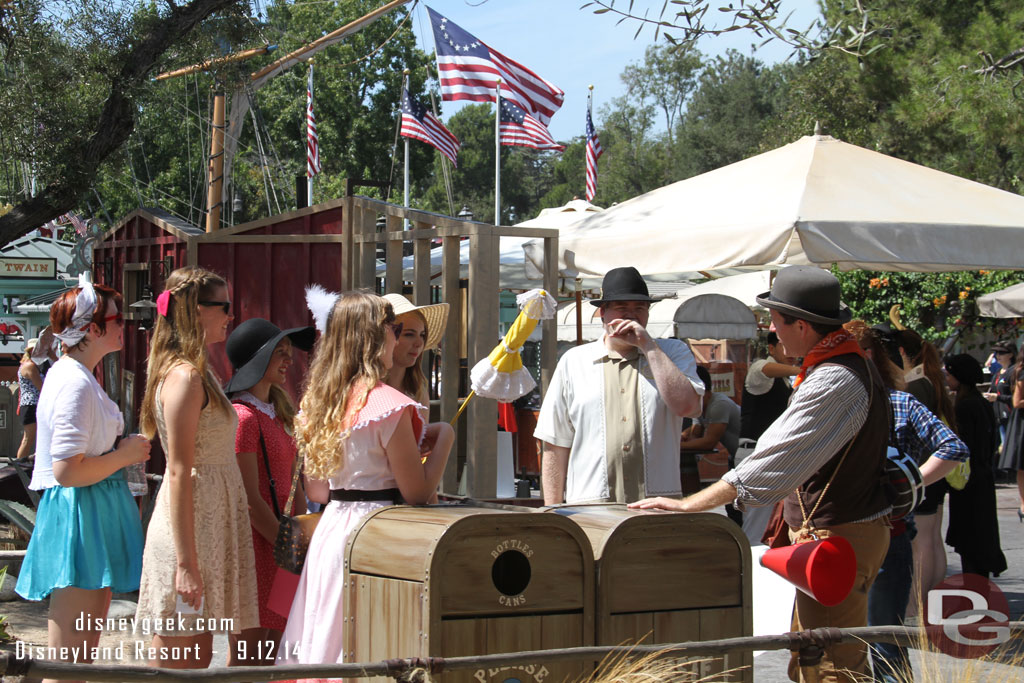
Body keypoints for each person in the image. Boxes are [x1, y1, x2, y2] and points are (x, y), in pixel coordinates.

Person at [631, 266, 891, 683]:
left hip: (839, 537)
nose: (769, 328)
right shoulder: (840, 364)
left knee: (830, 663)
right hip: (840, 533)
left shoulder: (834, 377)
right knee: (815, 649)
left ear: (802, 326)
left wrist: (689, 505)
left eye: (775, 320)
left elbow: (772, 462)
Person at [277, 288, 454, 674]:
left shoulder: (318, 404)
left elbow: (317, 491)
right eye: (393, 328)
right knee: (372, 638)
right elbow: (418, 493)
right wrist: (445, 439)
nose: (399, 336)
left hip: (333, 528)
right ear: (375, 337)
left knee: (325, 636)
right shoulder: (391, 405)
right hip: (379, 531)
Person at [15, 281, 151, 683]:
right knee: (69, 661)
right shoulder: (73, 381)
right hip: (80, 512)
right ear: (92, 329)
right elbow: (67, 471)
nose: (123, 326)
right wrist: (124, 455)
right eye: (116, 319)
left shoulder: (77, 375)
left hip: (91, 510)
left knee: (79, 656)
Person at [135, 266, 258, 669]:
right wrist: (187, 565)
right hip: (188, 533)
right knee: (179, 657)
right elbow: (178, 470)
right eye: (224, 306)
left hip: (206, 528)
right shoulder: (186, 377)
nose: (230, 316)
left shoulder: (198, 370)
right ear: (195, 310)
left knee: (197, 656)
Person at [845, 321, 968, 683]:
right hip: (848, 536)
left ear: (867, 355)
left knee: (882, 642)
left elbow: (954, 448)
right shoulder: (837, 402)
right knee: (857, 641)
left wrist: (910, 483)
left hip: (885, 533)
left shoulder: (898, 401)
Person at [535, 266, 704, 505]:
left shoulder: (672, 353)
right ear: (602, 313)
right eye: (622, 309)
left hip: (657, 505)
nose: (631, 317)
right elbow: (554, 442)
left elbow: (687, 407)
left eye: (639, 309)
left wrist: (649, 347)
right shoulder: (574, 361)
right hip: (590, 507)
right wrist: (553, 512)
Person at [223, 317, 315, 665]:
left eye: (288, 352)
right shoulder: (243, 417)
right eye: (279, 352)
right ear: (257, 359)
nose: (288, 360)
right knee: (248, 656)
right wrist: (287, 544)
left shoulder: (278, 414)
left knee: (276, 652)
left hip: (284, 544)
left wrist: (302, 539)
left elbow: (296, 484)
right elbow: (248, 499)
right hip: (258, 547)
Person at [894, 328, 955, 617]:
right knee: (931, 539)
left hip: (922, 469)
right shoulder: (930, 379)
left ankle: (915, 604)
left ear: (901, 353)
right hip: (931, 470)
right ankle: (928, 602)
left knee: (923, 542)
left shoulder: (916, 384)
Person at [943, 354, 1007, 579]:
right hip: (982, 476)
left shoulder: (965, 406)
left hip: (969, 481)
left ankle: (974, 587)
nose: (947, 379)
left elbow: (964, 446)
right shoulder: (980, 402)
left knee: (971, 538)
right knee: (979, 536)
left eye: (949, 375)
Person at [737, 331, 800, 543]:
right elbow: (765, 369)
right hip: (755, 453)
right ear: (771, 348)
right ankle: (749, 569)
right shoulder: (760, 368)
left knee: (770, 525)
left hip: (773, 457)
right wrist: (805, 370)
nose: (790, 351)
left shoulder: (786, 381)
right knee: (757, 525)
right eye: (783, 345)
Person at [381, 293, 449, 406]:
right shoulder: (364, 391)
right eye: (409, 334)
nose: (419, 343)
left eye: (422, 335)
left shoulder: (418, 391)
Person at [994, 344, 1024, 518]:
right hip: (1021, 422)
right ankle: (1023, 504)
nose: (997, 355)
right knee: (1022, 465)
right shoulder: (1021, 373)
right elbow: (1017, 402)